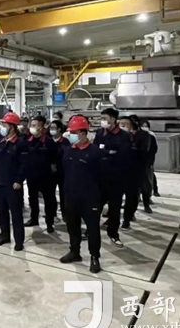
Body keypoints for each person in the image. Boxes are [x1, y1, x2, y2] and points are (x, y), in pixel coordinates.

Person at [60, 115, 102, 273]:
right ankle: (74, 251)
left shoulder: (94, 152)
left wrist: (99, 198)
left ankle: (94, 256)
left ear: (83, 133)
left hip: (89, 198)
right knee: (72, 226)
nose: (70, 135)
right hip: (71, 196)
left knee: (92, 229)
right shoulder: (69, 150)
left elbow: (103, 177)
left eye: (74, 132)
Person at [0, 112, 28, 251]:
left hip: (13, 184)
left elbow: (24, 164)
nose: (2, 127)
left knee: (16, 213)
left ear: (12, 127)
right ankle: (4, 235)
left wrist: (19, 180)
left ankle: (19, 240)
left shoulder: (20, 143)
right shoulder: (0, 142)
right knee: (2, 211)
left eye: (5, 125)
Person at [93, 107, 130, 248]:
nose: (102, 121)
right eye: (101, 118)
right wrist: (109, 152)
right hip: (100, 177)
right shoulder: (100, 133)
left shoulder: (123, 136)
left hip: (116, 178)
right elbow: (95, 150)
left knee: (114, 209)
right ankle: (91, 231)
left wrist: (105, 151)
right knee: (95, 207)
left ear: (113, 119)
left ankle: (113, 233)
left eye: (105, 119)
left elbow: (123, 155)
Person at [25, 115, 59, 233]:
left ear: (41, 127)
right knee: (32, 198)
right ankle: (34, 218)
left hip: (47, 177)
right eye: (31, 125)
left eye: (34, 125)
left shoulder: (49, 142)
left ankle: (49, 222)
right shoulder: (28, 141)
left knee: (49, 200)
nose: (31, 127)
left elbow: (55, 160)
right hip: (31, 176)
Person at [119, 115, 152, 230]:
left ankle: (127, 219)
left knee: (132, 197)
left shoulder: (143, 136)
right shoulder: (118, 135)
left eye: (125, 124)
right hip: (119, 171)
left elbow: (143, 152)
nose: (123, 126)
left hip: (135, 172)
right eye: (121, 124)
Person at [49, 119, 70, 220]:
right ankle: (52, 213)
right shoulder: (48, 141)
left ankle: (65, 214)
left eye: (54, 128)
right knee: (50, 194)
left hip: (62, 172)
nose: (51, 130)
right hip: (50, 173)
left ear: (59, 129)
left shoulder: (65, 142)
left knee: (63, 194)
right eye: (51, 128)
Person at [141, 120, 160, 197]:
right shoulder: (138, 135)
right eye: (143, 126)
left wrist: (151, 160)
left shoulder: (151, 135)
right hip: (139, 161)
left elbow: (154, 149)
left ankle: (154, 191)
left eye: (146, 126)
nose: (144, 128)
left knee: (150, 177)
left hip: (148, 160)